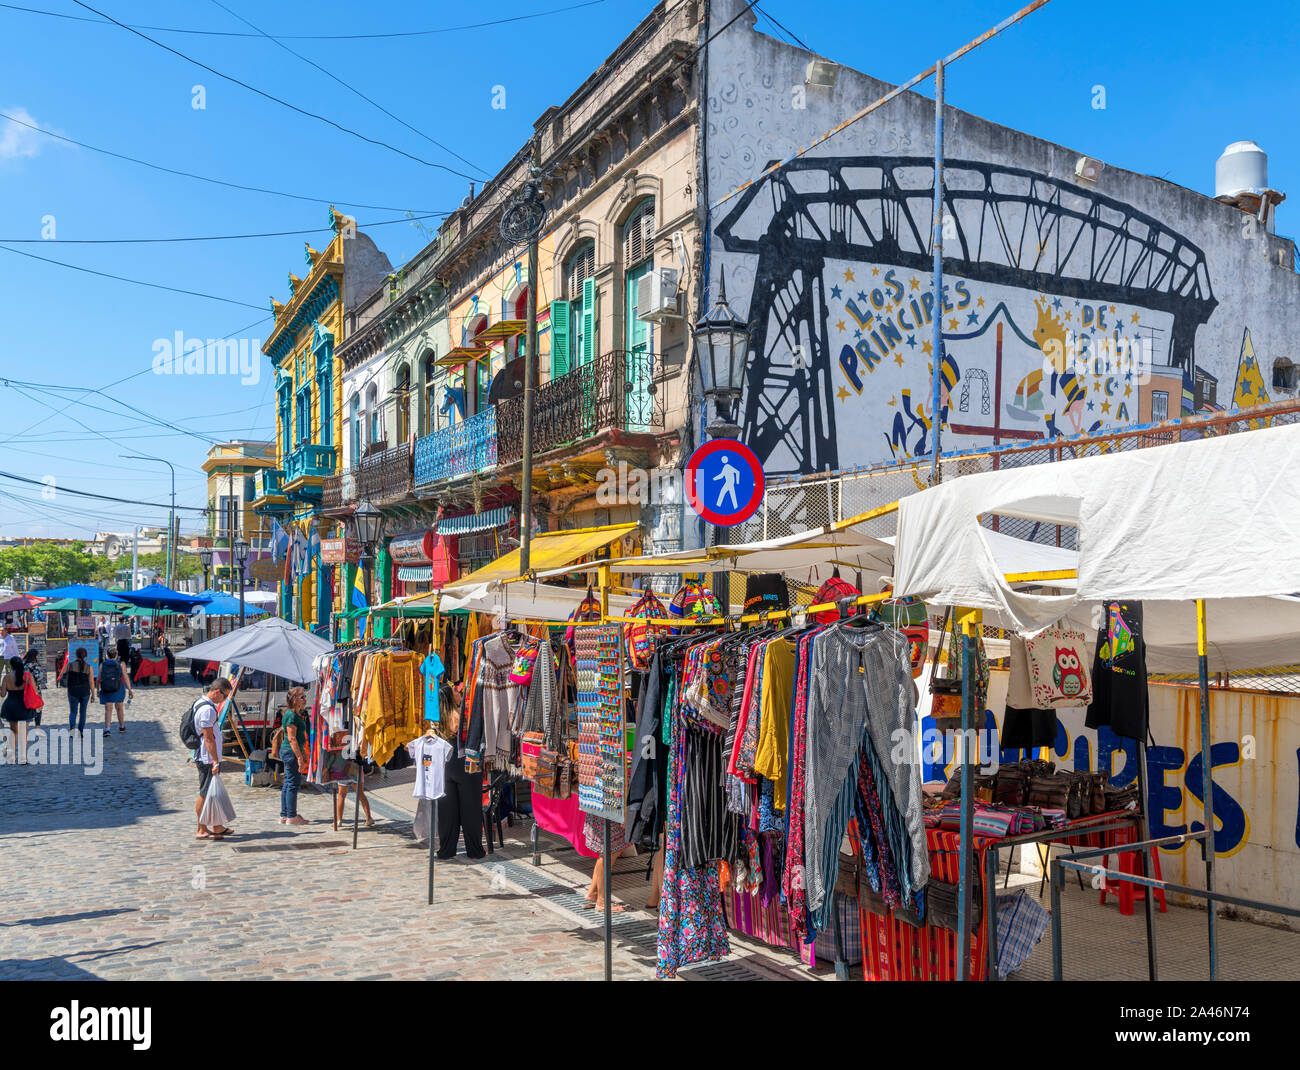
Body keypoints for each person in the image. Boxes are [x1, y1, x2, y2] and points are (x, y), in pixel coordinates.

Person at [436, 683, 485, 860]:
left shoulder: (437, 719)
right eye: (456, 691)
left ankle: (446, 849)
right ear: (451, 697)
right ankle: (474, 850)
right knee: (470, 810)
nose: (459, 692)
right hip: (465, 765)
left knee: (447, 812)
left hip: (445, 767)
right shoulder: (459, 717)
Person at [194, 678, 233, 840]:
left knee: (213, 793)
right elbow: (208, 738)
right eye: (224, 696)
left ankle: (217, 826)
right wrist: (215, 760)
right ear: (217, 692)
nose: (224, 700)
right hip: (207, 758)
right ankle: (201, 828)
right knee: (205, 793)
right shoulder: (207, 710)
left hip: (206, 756)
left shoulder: (201, 702)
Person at [278, 686, 311, 826]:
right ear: (294, 700)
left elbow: (298, 737)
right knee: (292, 783)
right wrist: (299, 757)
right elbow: (292, 738)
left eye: (304, 696)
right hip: (290, 752)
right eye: (302, 697)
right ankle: (291, 816)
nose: (305, 699)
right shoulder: (291, 715)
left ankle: (285, 815)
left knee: (287, 783)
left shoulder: (294, 714)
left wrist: (303, 752)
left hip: (290, 751)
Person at [2, 655, 33, 763]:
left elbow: (2, 694)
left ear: (11, 665)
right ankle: (23, 758)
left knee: (13, 731)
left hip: (11, 705)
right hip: (24, 705)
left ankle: (11, 757)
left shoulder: (6, 677)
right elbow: (33, 691)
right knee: (24, 732)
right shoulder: (28, 676)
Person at [59, 645, 96, 734]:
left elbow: (61, 675)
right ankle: (81, 731)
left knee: (73, 712)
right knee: (83, 712)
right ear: (85, 656)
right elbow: (91, 682)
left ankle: (72, 731)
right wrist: (93, 694)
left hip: (73, 691)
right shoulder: (89, 667)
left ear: (76, 655)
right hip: (85, 692)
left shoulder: (70, 665)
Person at [97, 648, 134, 735]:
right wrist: (129, 690)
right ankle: (122, 726)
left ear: (107, 655)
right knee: (119, 707)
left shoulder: (103, 665)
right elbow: (125, 677)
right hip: (119, 687)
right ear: (116, 655)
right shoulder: (121, 664)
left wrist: (98, 690)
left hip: (106, 687)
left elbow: (98, 679)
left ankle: (107, 729)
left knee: (108, 708)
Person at [21, 648, 46, 727]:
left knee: (26, 707)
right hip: (34, 689)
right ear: (34, 656)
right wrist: (42, 675)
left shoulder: (22, 663)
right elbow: (38, 677)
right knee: (38, 707)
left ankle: (25, 726)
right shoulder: (34, 665)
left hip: (23, 689)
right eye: (37, 656)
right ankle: (37, 726)